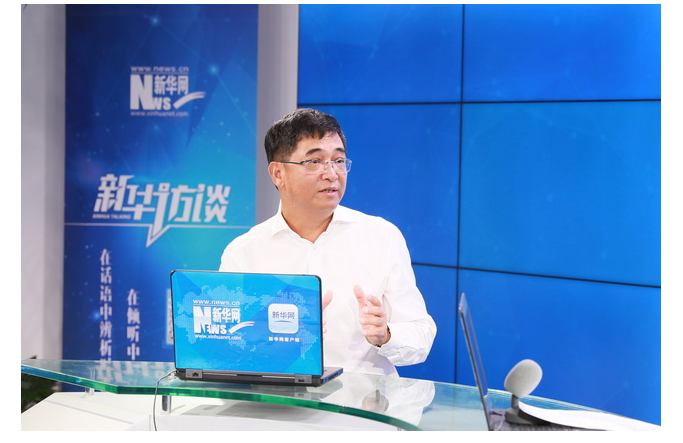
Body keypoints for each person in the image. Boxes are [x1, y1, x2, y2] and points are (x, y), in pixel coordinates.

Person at [219, 108, 436, 376]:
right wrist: (274, 341)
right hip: (277, 400)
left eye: (339, 160)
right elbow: (227, 349)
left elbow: (421, 335)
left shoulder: (382, 237)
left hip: (364, 400)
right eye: (315, 161)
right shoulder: (244, 253)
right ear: (278, 173)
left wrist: (386, 334)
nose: (332, 173)